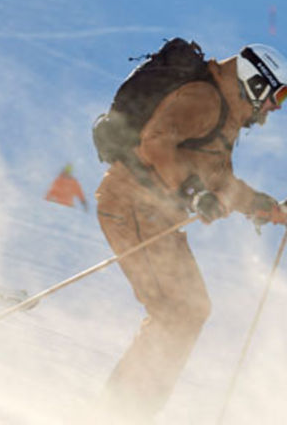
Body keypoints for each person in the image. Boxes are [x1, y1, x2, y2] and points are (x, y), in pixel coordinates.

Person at [95, 42, 287, 421]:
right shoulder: (204, 98)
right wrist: (193, 193)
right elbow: (156, 141)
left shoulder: (225, 117)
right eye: (278, 94)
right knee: (175, 314)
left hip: (156, 214)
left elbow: (220, 182)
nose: (277, 107)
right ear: (257, 85)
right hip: (131, 203)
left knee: (192, 310)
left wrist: (268, 208)